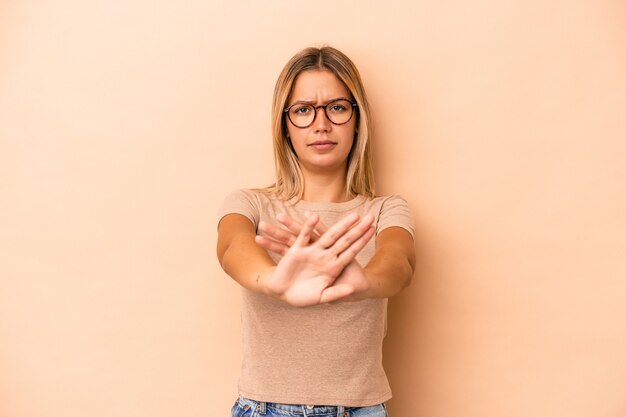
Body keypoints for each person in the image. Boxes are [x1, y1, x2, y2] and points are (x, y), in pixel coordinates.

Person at [217, 46, 416, 417]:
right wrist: (273, 279)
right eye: (304, 110)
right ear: (285, 125)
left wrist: (362, 283)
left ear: (357, 120)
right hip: (264, 409)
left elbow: (399, 265)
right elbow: (232, 249)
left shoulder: (385, 210)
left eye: (337, 108)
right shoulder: (250, 204)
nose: (321, 124)